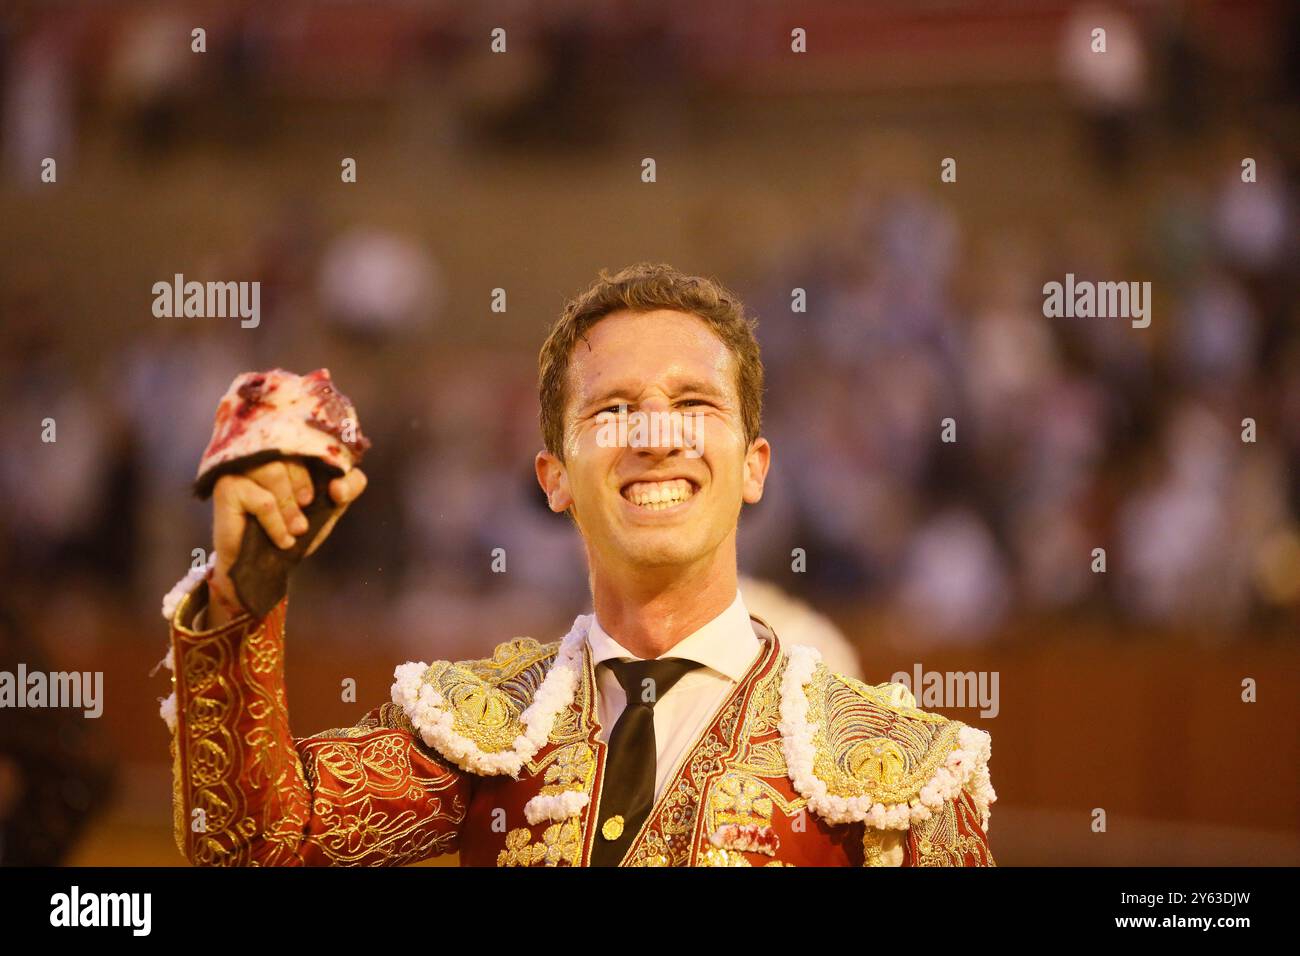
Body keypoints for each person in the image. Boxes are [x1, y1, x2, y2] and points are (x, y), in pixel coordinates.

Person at [157, 262, 996, 867]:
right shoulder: (481, 732)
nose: (656, 435)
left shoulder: (904, 765)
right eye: (613, 409)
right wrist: (244, 596)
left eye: (695, 405)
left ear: (755, 466)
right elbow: (257, 847)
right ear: (554, 479)